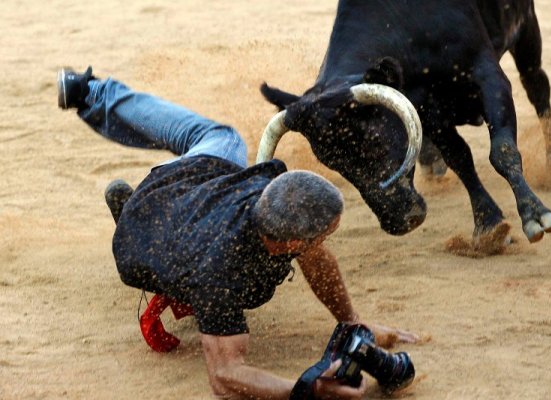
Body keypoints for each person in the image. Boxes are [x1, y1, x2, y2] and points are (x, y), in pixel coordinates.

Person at [57, 66, 419, 399]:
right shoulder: (220, 274)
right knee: (219, 139)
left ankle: (91, 96)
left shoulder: (267, 189)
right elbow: (226, 376)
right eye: (324, 234)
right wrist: (308, 390)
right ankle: (98, 98)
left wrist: (351, 323)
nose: (326, 241)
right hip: (152, 228)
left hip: (191, 188)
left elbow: (313, 253)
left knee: (219, 139)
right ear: (292, 242)